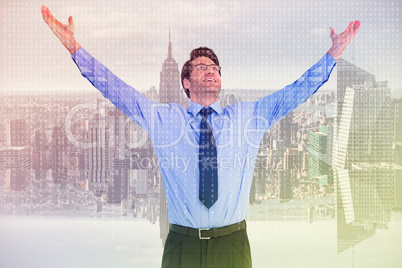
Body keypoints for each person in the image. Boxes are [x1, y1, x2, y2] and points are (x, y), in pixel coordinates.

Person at [41, 5, 360, 268]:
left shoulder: (248, 116)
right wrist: (74, 47)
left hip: (233, 244)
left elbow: (297, 91)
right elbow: (116, 89)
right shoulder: (164, 119)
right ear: (185, 82)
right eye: (201, 67)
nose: (211, 71)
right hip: (182, 246)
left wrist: (333, 53)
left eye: (216, 68)